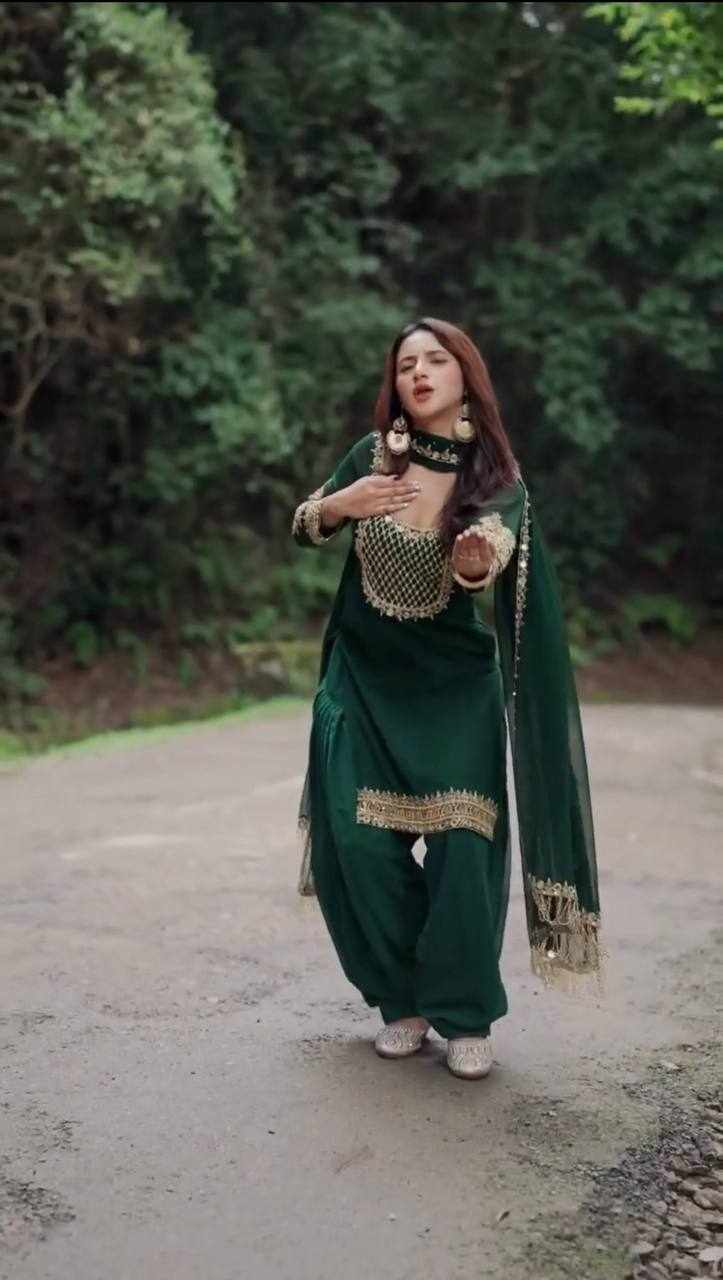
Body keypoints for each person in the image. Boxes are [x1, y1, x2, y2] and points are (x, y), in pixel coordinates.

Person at [291, 317, 602, 1081]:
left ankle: (464, 1012)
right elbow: (305, 524)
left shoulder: (495, 482)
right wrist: (341, 504)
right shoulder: (371, 457)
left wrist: (470, 561)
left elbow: (486, 557)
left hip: (453, 693)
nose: (419, 373)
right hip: (362, 682)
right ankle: (400, 1002)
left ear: (466, 378)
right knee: (356, 844)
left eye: (435, 360)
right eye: (405, 365)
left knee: (464, 848)